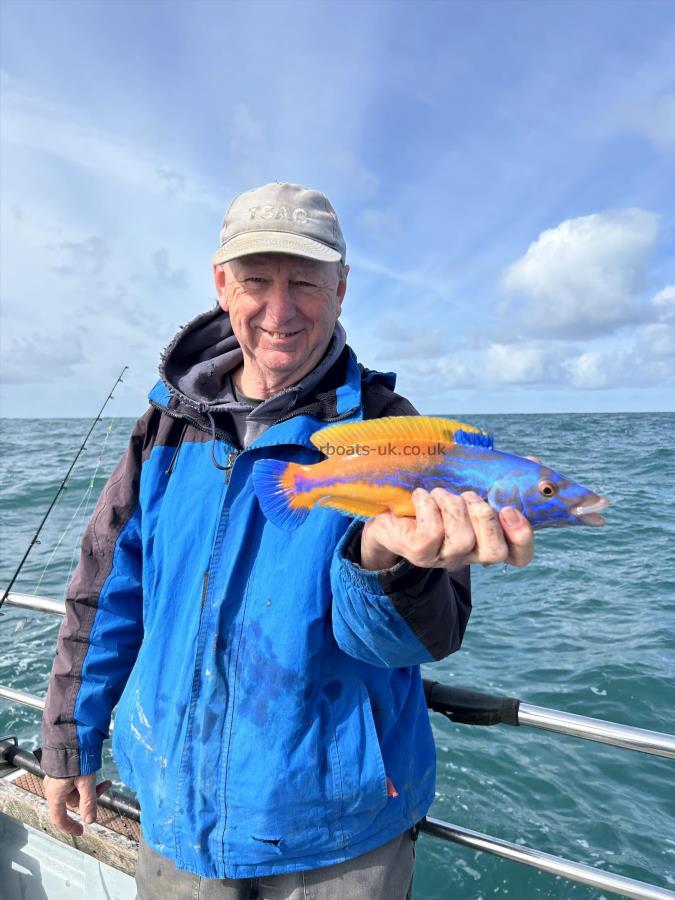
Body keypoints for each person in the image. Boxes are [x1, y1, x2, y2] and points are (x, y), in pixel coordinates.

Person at [42, 182, 535, 899]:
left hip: (338, 831)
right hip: (177, 815)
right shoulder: (162, 429)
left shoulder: (397, 431)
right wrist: (69, 741)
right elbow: (104, 595)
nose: (279, 311)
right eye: (254, 282)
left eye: (304, 282)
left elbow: (419, 641)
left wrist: (385, 564)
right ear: (220, 286)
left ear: (340, 290)